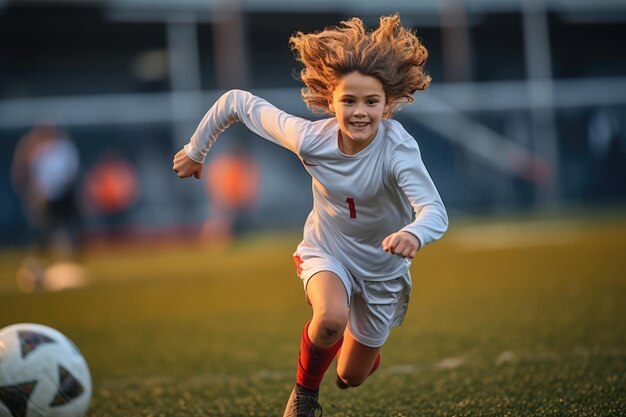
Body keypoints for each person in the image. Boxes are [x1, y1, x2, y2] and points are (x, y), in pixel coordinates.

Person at [172, 14, 448, 417]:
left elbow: (435, 210)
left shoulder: (398, 150)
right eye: (348, 100)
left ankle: (360, 357)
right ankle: (303, 398)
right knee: (330, 318)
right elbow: (236, 102)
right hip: (328, 251)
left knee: (351, 376)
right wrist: (197, 150)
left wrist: (415, 233)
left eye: (371, 102)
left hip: (383, 271)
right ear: (329, 100)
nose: (359, 112)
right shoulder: (309, 139)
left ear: (387, 105)